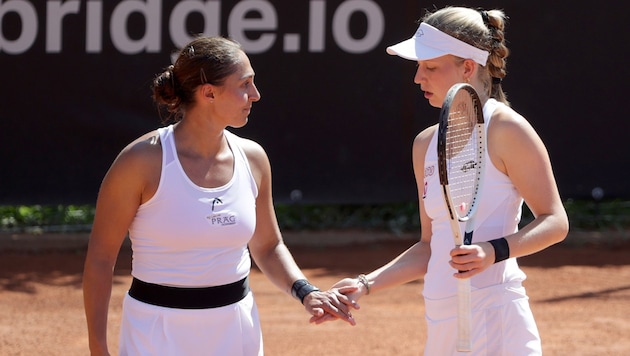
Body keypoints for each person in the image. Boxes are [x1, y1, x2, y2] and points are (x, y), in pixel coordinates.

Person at [315, 6, 569, 355]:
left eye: (431, 67)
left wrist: (493, 251)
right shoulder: (424, 144)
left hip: (498, 322)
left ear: (468, 66)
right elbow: (429, 246)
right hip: (442, 323)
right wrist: (365, 284)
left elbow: (555, 221)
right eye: (419, 67)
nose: (418, 78)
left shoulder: (507, 129)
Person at [82, 36, 357, 356]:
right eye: (245, 84)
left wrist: (306, 291)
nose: (255, 95)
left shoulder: (253, 158)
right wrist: (97, 349)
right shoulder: (141, 161)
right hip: (156, 335)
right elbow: (100, 259)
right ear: (208, 92)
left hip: (236, 331)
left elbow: (268, 246)